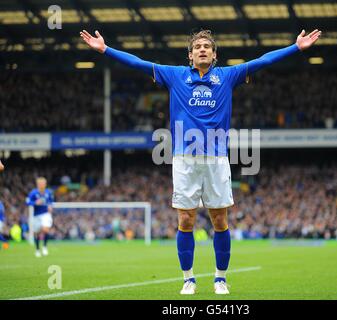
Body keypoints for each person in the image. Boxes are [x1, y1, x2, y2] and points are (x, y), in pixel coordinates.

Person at [80, 28, 321, 295]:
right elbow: (138, 63)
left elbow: (263, 61)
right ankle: (188, 279)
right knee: (185, 220)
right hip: (184, 159)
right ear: (190, 55)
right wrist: (105, 49)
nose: (202, 49)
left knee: (220, 220)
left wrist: (295, 47)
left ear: (215, 54)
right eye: (198, 47)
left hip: (217, 159)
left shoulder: (228, 76)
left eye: (207, 46)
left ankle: (220, 278)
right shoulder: (175, 75)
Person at [26, 177, 54, 257]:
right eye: (41, 183)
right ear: (38, 184)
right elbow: (28, 202)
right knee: (37, 233)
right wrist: (35, 203)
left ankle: (45, 247)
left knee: (45, 229)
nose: (42, 185)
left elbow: (51, 201)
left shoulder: (48, 192)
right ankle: (37, 249)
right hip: (36, 215)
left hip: (45, 214)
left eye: (44, 183)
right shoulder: (33, 193)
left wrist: (50, 206)